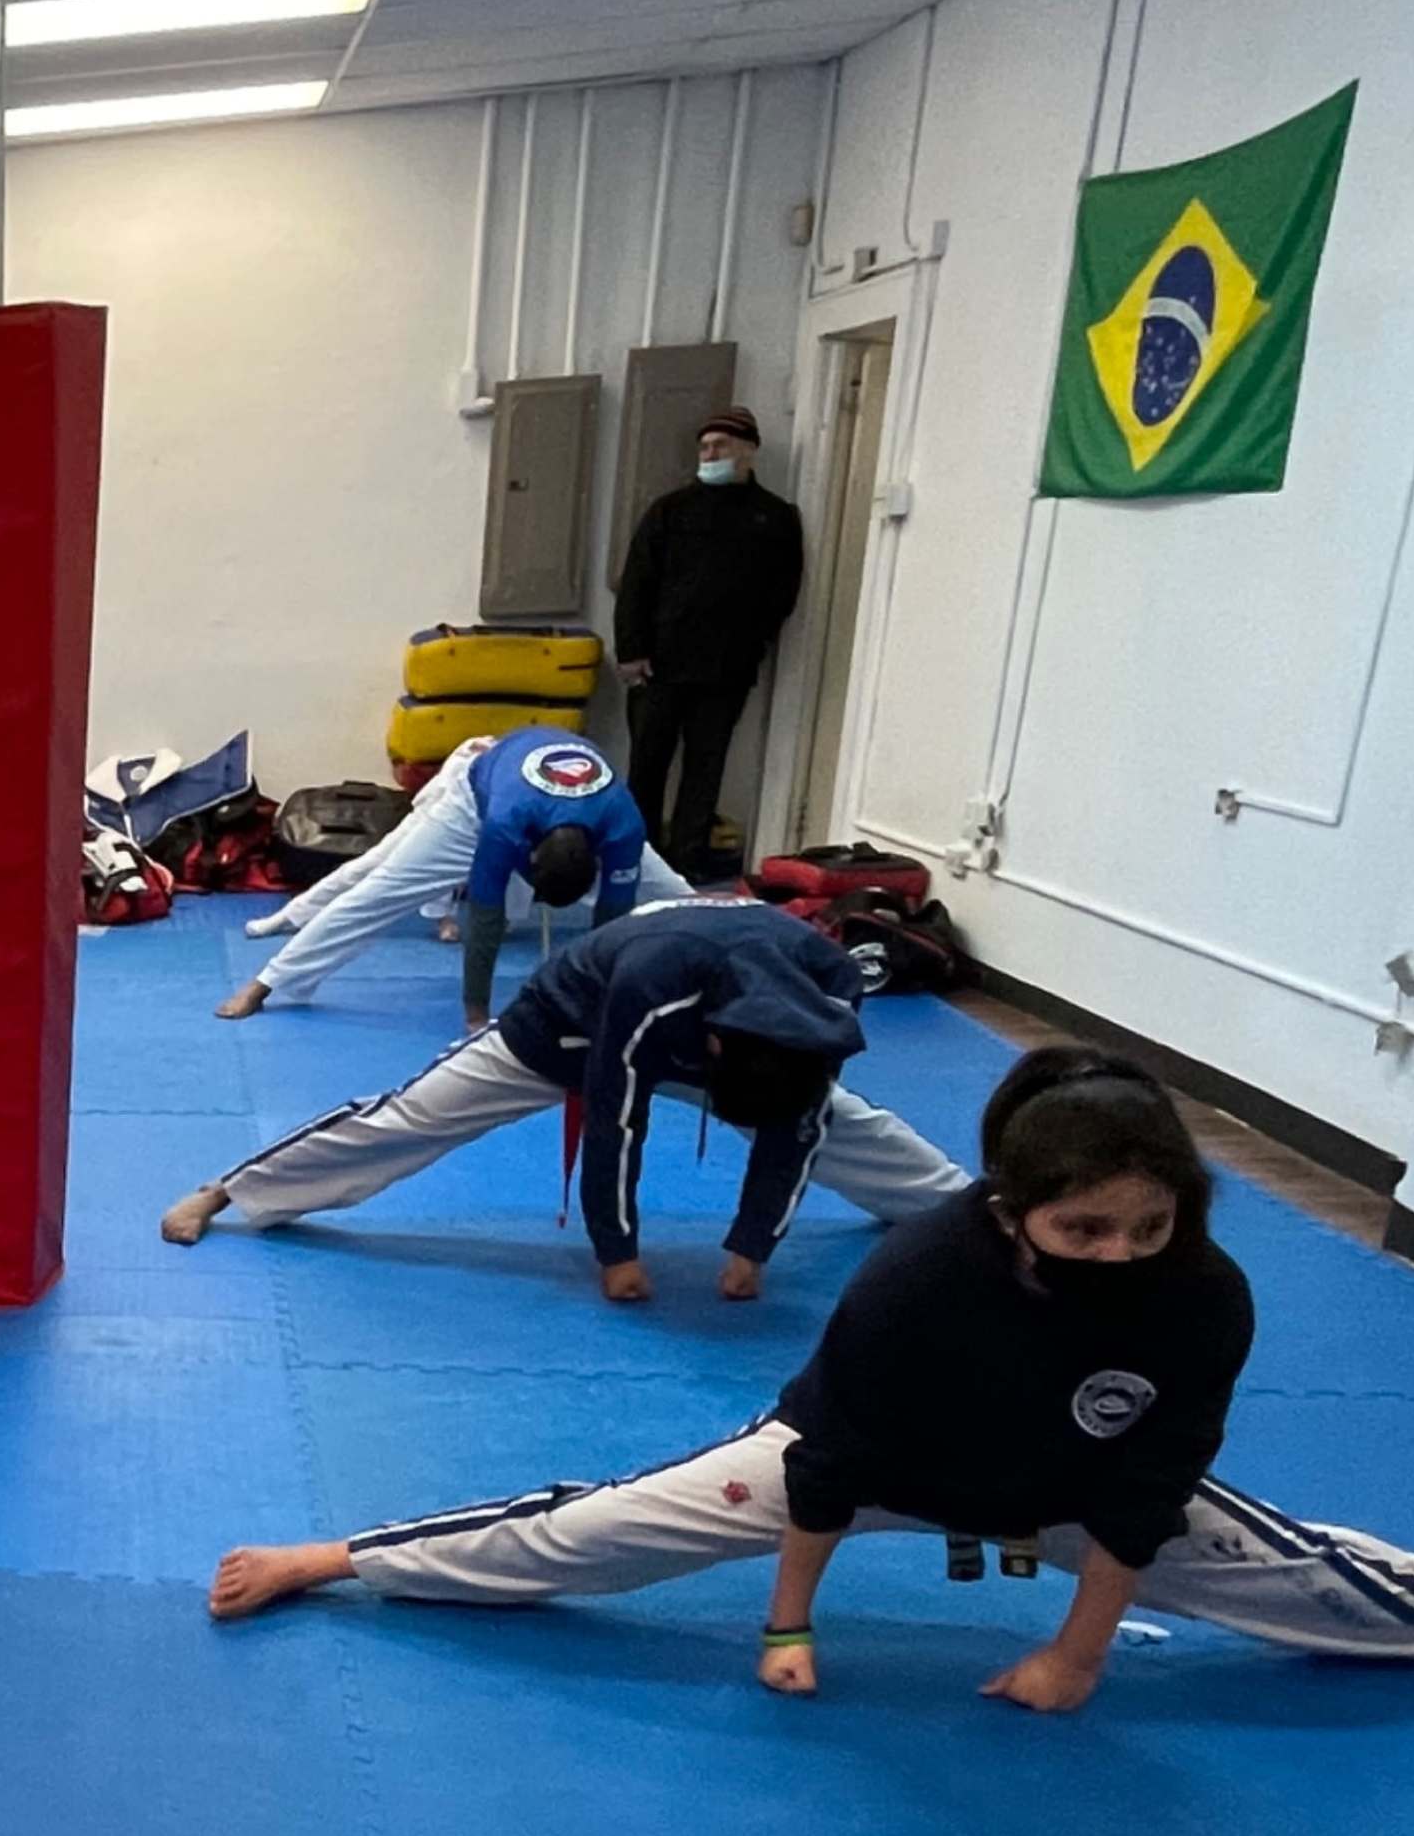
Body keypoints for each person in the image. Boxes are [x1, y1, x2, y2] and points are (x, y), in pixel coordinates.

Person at [208, 1049, 1414, 1701]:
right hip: (877, 1467)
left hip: (1074, 1495)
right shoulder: (918, 1278)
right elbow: (829, 1461)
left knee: (1317, 1586)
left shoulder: (1203, 1297)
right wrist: (789, 1625)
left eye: (1147, 1227)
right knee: (595, 1532)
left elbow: (1151, 1480)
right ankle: (344, 1558)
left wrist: (1077, 1656)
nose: (1122, 1255)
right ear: (1013, 1214)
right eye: (1084, 1232)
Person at [164, 894, 968, 1301]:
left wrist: (752, 1247)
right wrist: (616, 1255)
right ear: (717, 1045)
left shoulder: (824, 1003)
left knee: (845, 1127)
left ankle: (979, 1210)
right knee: (414, 1117)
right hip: (566, 1027)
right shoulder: (656, 984)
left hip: (723, 1028)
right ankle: (228, 1190)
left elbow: (796, 1122)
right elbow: (618, 1121)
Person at [217, 727, 692, 1024]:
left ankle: (738, 948)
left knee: (675, 894)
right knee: (379, 892)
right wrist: (476, 1016)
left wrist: (603, 1006)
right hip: (473, 802)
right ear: (525, 860)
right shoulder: (503, 825)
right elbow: (484, 924)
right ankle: (267, 983)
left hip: (556, 791)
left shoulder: (622, 825)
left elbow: (612, 920)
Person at [613, 406, 805, 880]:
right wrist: (632, 651)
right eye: (704, 447)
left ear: (747, 450)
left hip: (726, 670)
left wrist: (755, 643)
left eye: (719, 445)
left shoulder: (775, 518)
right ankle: (637, 860)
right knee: (646, 767)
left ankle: (686, 866)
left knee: (705, 770)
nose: (710, 453)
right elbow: (637, 581)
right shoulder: (670, 510)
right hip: (660, 666)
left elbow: (783, 591)